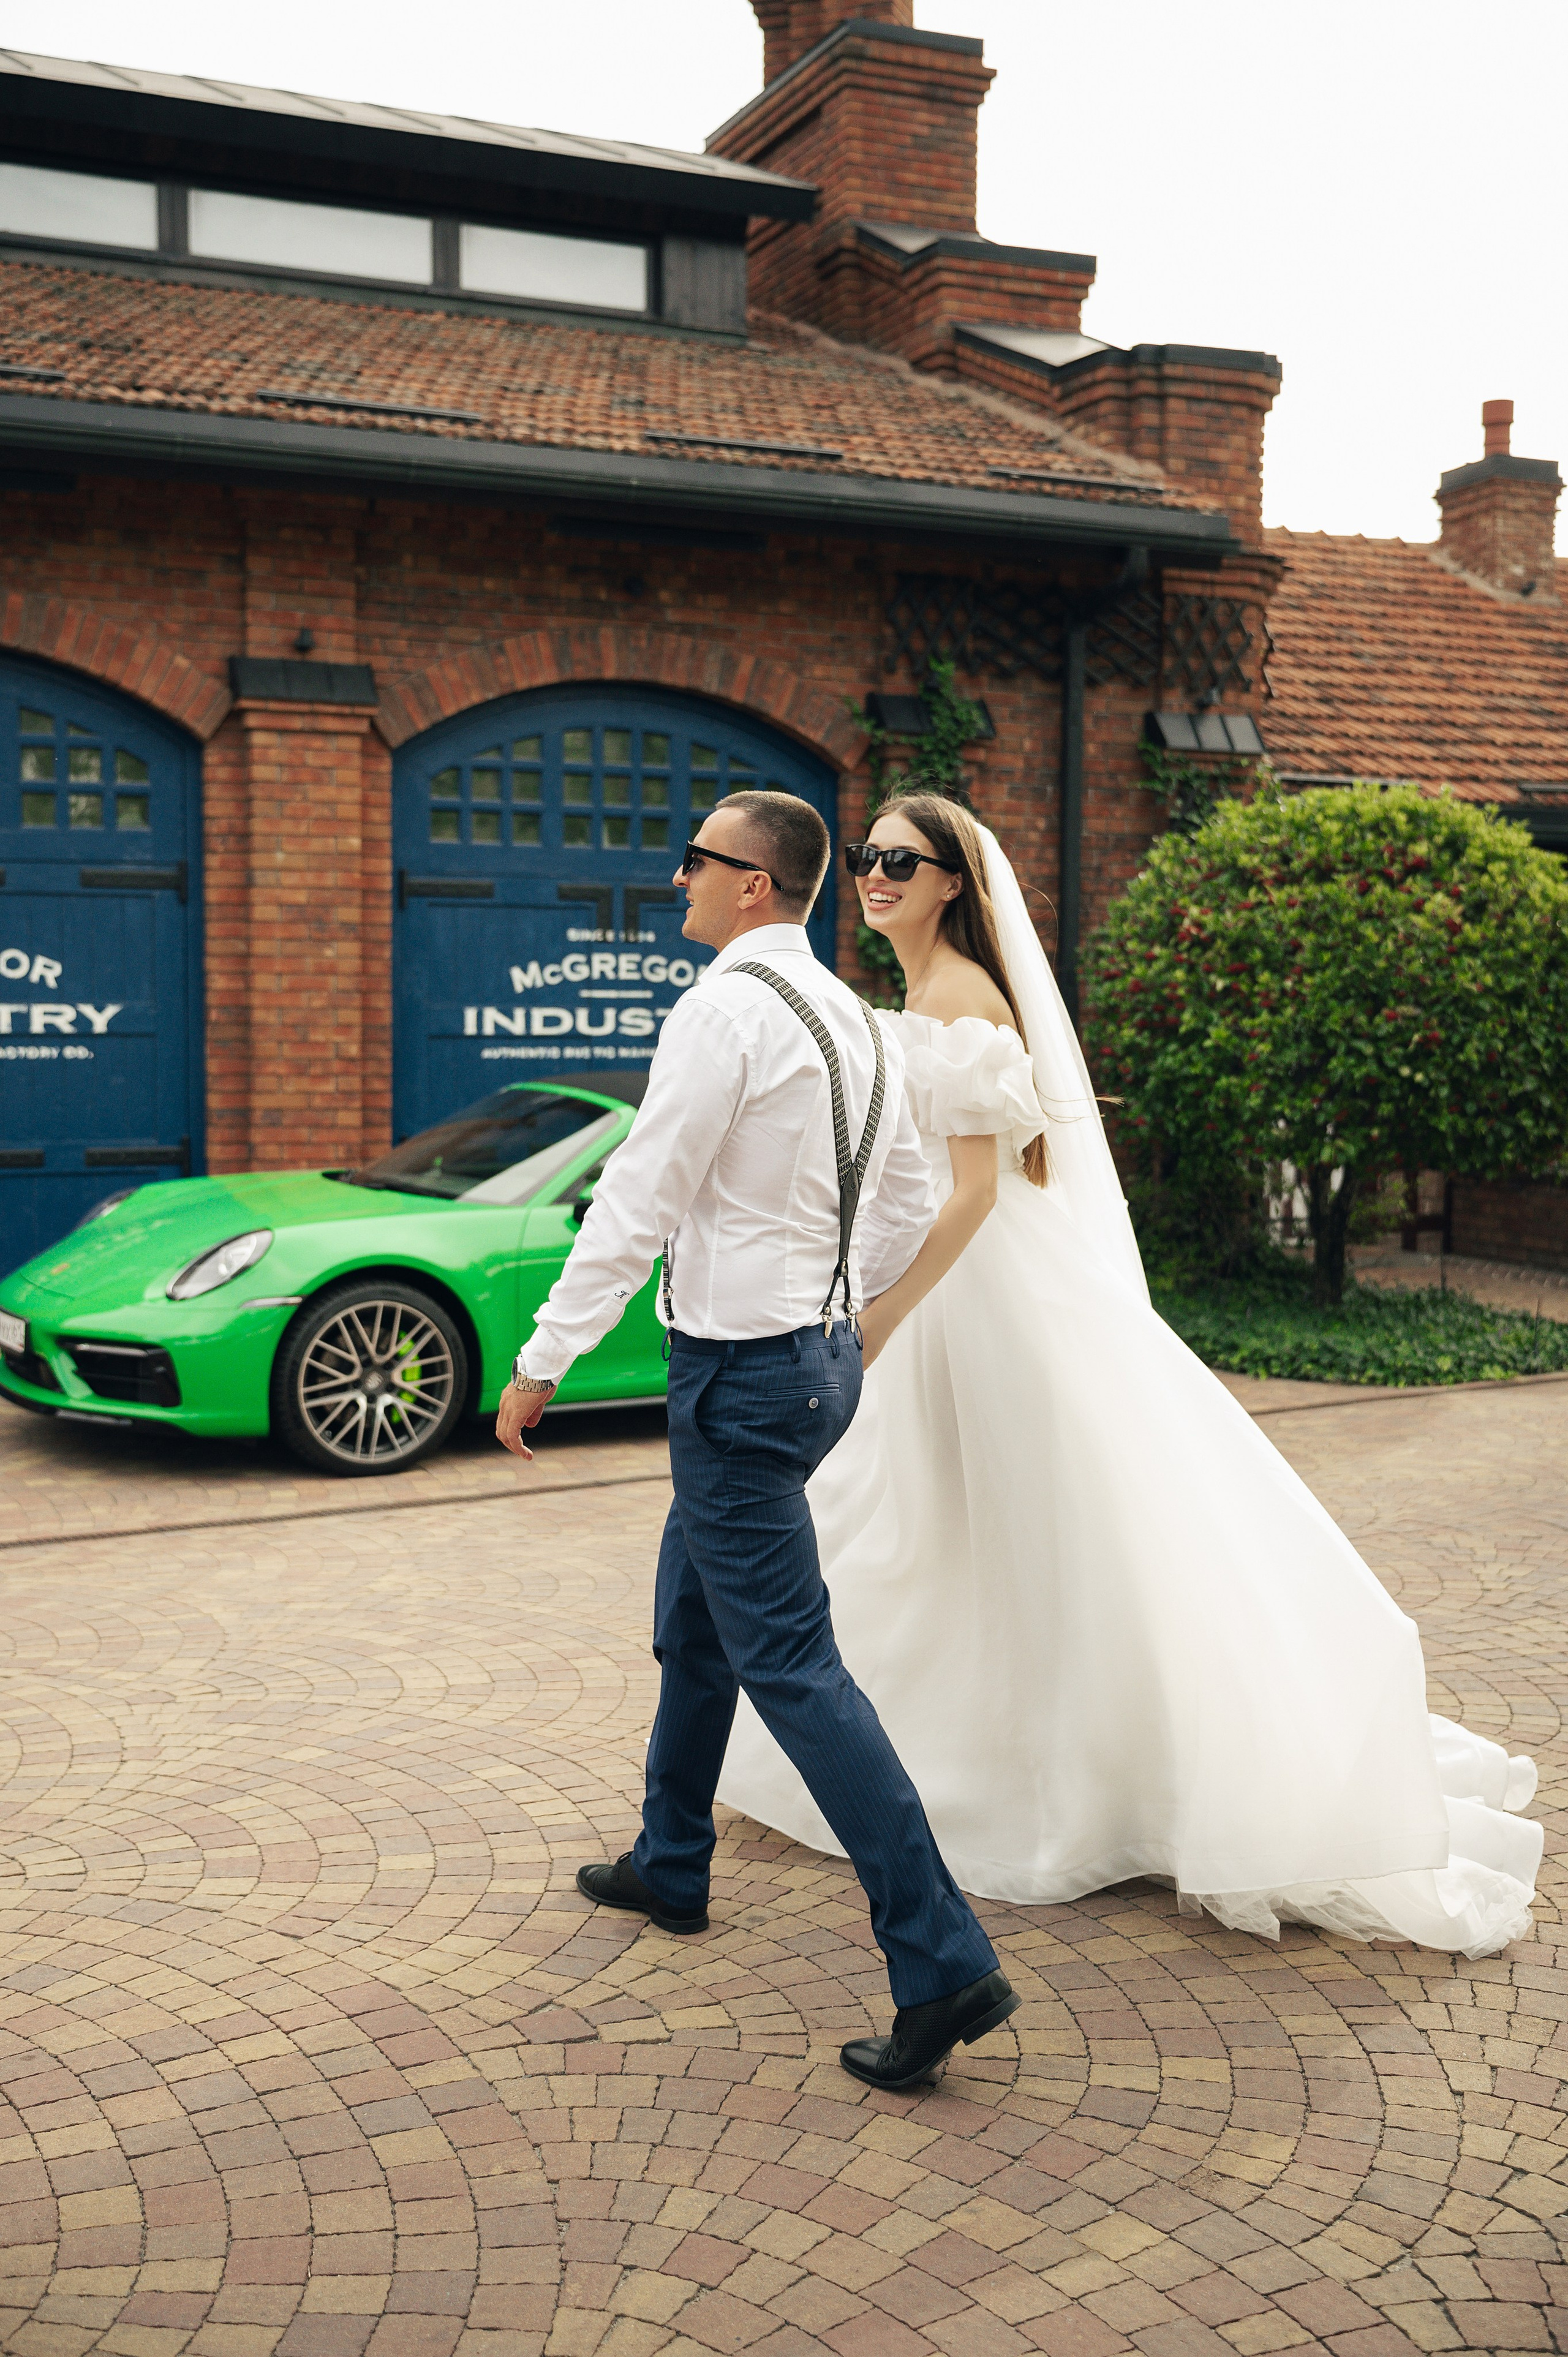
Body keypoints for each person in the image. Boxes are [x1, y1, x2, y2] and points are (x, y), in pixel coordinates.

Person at [718, 791, 1542, 1958]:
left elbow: (974, 1197)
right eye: (865, 858)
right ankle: (955, 1746)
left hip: (984, 1300)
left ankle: (1086, 1769)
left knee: (1026, 1530)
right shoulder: (920, 995)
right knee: (940, 1529)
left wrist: (881, 1315)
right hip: (960, 1294)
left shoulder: (958, 1000)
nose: (875, 875)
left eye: (901, 859)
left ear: (957, 880)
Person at [496, 788, 1020, 2088]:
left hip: (739, 1379)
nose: (674, 878)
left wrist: (543, 1356)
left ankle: (941, 1958)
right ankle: (671, 1860)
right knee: (696, 1620)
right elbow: (904, 1194)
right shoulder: (848, 1012)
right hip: (808, 1367)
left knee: (791, 1666)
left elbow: (637, 1195)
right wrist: (831, 1305)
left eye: (693, 860)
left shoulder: (723, 1010)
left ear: (751, 886)